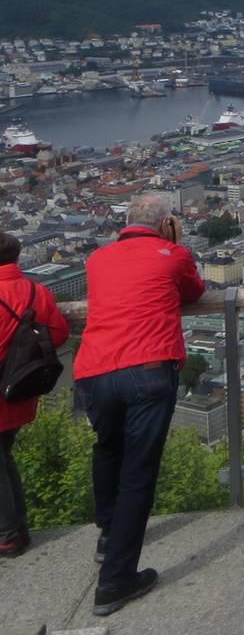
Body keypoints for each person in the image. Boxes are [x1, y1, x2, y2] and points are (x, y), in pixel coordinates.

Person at [73, 193, 205, 616]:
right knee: (138, 473)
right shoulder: (173, 254)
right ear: (165, 223)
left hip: (94, 370)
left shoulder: (97, 259)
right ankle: (115, 581)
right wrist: (175, 242)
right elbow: (194, 290)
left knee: (107, 450)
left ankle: (108, 536)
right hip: (147, 370)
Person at [0, 229, 70, 557]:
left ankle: (8, 534)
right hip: (18, 389)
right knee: (4, 456)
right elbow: (57, 335)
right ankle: (16, 528)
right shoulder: (35, 291)